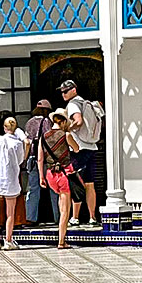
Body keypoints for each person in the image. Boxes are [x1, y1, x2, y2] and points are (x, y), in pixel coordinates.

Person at [58, 79, 105, 228]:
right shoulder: (85, 102)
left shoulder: (73, 104)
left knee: (76, 184)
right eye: (62, 91)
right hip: (92, 147)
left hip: (79, 149)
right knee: (90, 184)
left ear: (74, 90)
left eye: (66, 91)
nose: (63, 94)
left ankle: (75, 217)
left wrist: (67, 130)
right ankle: (92, 217)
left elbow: (78, 121)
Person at [0, 116, 28, 250]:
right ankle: (8, 240)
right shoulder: (16, 143)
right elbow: (21, 160)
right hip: (10, 180)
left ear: (4, 127)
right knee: (11, 212)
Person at [40, 110, 79, 249]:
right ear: (62, 122)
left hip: (50, 174)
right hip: (64, 174)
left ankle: (61, 238)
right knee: (65, 210)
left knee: (59, 203)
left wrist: (41, 177)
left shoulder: (44, 137)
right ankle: (61, 241)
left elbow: (40, 158)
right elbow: (76, 149)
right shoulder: (66, 135)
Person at [24, 100, 53, 227]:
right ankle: (58, 216)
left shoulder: (29, 122)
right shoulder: (46, 122)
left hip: (31, 157)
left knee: (33, 189)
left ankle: (30, 217)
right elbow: (49, 138)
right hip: (45, 158)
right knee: (53, 189)